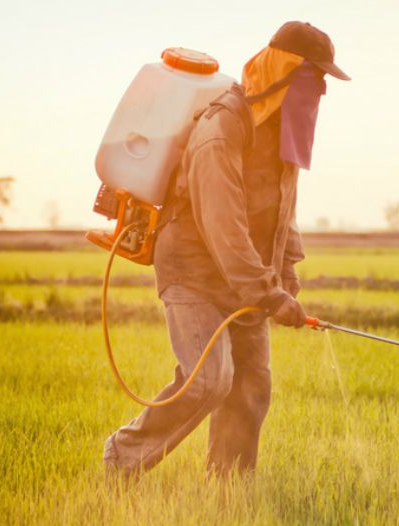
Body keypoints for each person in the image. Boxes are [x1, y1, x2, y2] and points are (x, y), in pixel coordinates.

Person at [103, 21, 350, 480]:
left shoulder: (282, 128)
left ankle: (228, 489)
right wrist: (268, 292)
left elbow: (283, 206)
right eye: (313, 77)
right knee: (208, 382)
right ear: (284, 70)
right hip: (193, 269)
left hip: (247, 277)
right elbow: (223, 223)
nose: (320, 91)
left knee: (251, 385)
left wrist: (287, 270)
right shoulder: (223, 126)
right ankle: (123, 457)